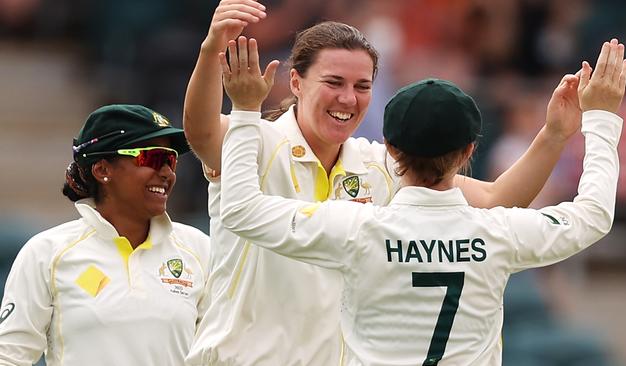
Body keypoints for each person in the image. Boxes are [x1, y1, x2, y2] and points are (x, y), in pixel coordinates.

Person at [184, 2, 584, 364]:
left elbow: (498, 198)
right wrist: (210, 52)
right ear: (295, 83)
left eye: (362, 86)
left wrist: (553, 134)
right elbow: (200, 133)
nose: (348, 99)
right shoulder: (254, 138)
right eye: (334, 82)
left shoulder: (382, 162)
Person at [0, 105, 211, 366]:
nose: (167, 172)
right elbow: (9, 356)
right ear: (102, 170)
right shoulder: (46, 253)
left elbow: (220, 353)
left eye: (171, 160)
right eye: (153, 158)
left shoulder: (199, 249)